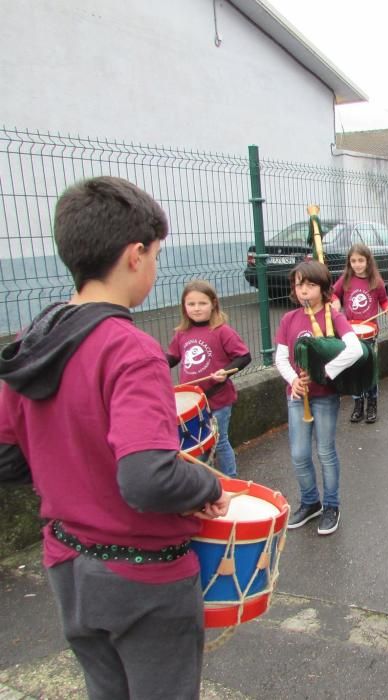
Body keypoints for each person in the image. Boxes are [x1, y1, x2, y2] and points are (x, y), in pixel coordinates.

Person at [0, 176, 232, 700]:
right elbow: (147, 477)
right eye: (155, 254)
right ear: (135, 255)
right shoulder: (132, 350)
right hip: (143, 579)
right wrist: (208, 487)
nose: (155, 266)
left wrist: (73, 475)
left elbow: (7, 456)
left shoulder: (33, 341)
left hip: (68, 565)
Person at [275, 261, 362, 534]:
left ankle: (332, 505)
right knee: (299, 454)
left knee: (325, 451)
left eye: (310, 285)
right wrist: (293, 381)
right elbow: (280, 357)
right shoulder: (289, 319)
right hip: (297, 396)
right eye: (299, 284)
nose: (304, 290)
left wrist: (325, 372)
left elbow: (355, 349)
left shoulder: (332, 316)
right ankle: (310, 502)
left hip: (324, 397)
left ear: (323, 288)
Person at [167, 280, 251, 476]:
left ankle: (229, 480)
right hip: (193, 402)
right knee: (197, 447)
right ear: (184, 306)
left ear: (213, 303)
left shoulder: (222, 331)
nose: (197, 309)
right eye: (191, 304)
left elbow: (244, 356)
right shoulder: (182, 333)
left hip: (218, 399)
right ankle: (207, 484)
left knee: (219, 442)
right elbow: (172, 357)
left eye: (202, 303)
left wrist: (226, 372)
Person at [332, 243, 388, 423]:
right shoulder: (345, 279)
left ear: (368, 261)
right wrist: (335, 302)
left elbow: (384, 300)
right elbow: (333, 294)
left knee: (369, 369)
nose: (357, 264)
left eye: (361, 260)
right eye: (353, 261)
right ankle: (358, 405)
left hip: (370, 334)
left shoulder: (376, 281)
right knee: (354, 370)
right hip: (350, 333)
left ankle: (372, 404)